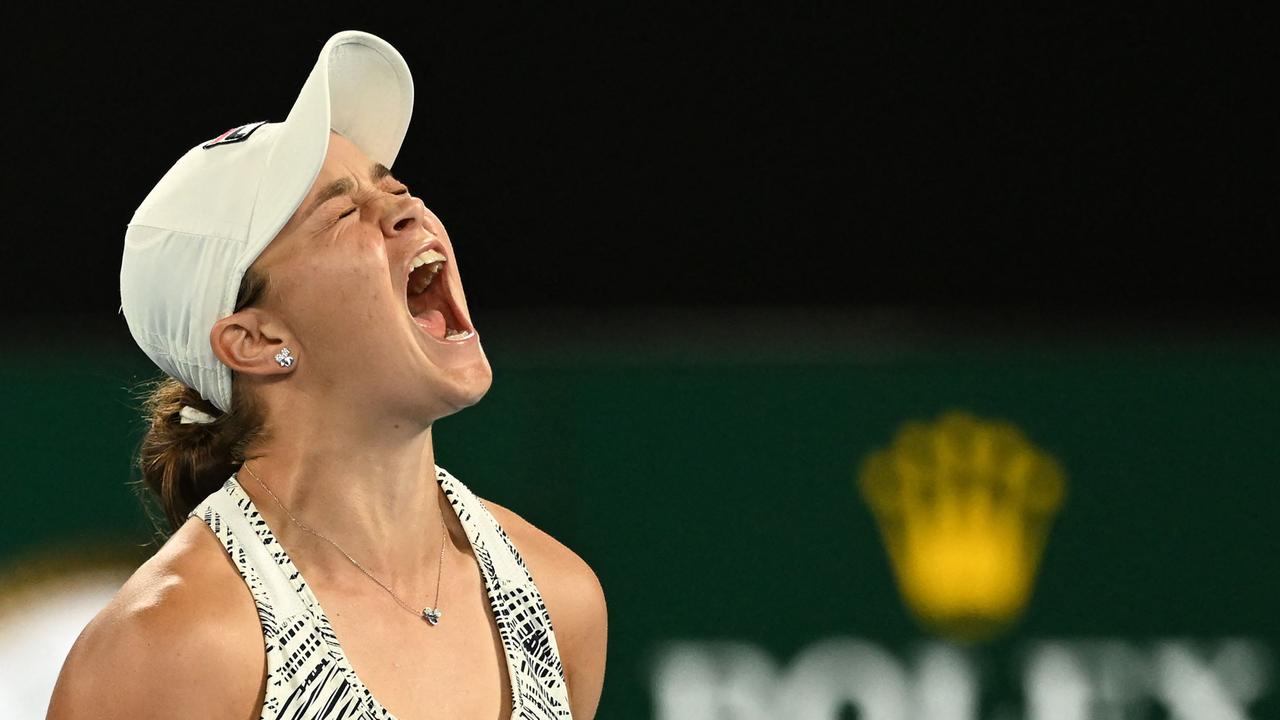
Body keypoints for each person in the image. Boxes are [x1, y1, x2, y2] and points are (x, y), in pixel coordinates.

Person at [47, 30, 606, 720]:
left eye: (394, 187)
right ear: (257, 340)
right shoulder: (173, 648)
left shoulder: (558, 600)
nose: (407, 209)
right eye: (343, 212)